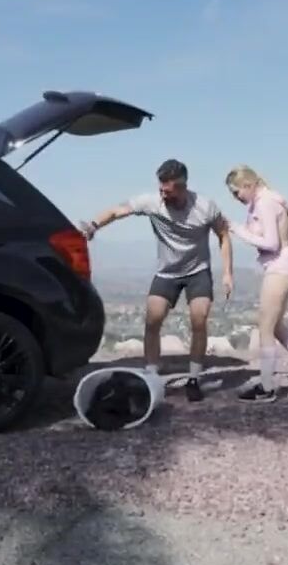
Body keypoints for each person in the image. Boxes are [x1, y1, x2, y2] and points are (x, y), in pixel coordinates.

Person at [80, 158, 233, 402]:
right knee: (153, 320)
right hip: (166, 272)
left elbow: (223, 235)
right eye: (160, 189)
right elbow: (117, 211)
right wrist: (93, 225)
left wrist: (227, 272)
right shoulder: (152, 202)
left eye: (168, 191)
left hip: (197, 271)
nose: (162, 195)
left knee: (199, 318)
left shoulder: (205, 207)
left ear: (182, 187)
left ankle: (194, 378)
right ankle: (151, 375)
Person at [223, 164, 288, 402]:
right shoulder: (262, 203)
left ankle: (267, 388)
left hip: (281, 266)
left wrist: (235, 229)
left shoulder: (266, 202)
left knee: (265, 328)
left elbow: (271, 243)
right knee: (275, 326)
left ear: (248, 185)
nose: (236, 198)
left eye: (237, 192)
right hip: (283, 266)